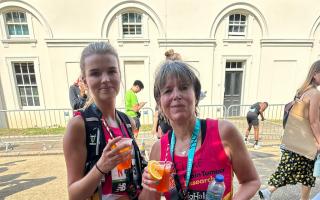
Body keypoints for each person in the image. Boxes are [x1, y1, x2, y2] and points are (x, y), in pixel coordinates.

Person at [139, 60, 260, 200]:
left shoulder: (224, 132)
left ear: (196, 96)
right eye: (167, 90)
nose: (176, 95)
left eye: (184, 87)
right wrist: (148, 184)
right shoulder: (159, 149)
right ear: (159, 103)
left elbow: (251, 181)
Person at [63, 42, 143, 200]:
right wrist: (102, 166)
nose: (105, 79)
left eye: (112, 71)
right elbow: (74, 195)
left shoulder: (127, 122)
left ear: (119, 75)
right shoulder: (79, 125)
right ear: (84, 81)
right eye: (95, 73)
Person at [259, 60, 320, 200]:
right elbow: (314, 121)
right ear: (316, 74)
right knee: (295, 169)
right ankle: (269, 191)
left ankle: (271, 192)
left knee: (304, 172)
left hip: (296, 138)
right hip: (307, 140)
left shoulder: (302, 91)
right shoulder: (314, 93)